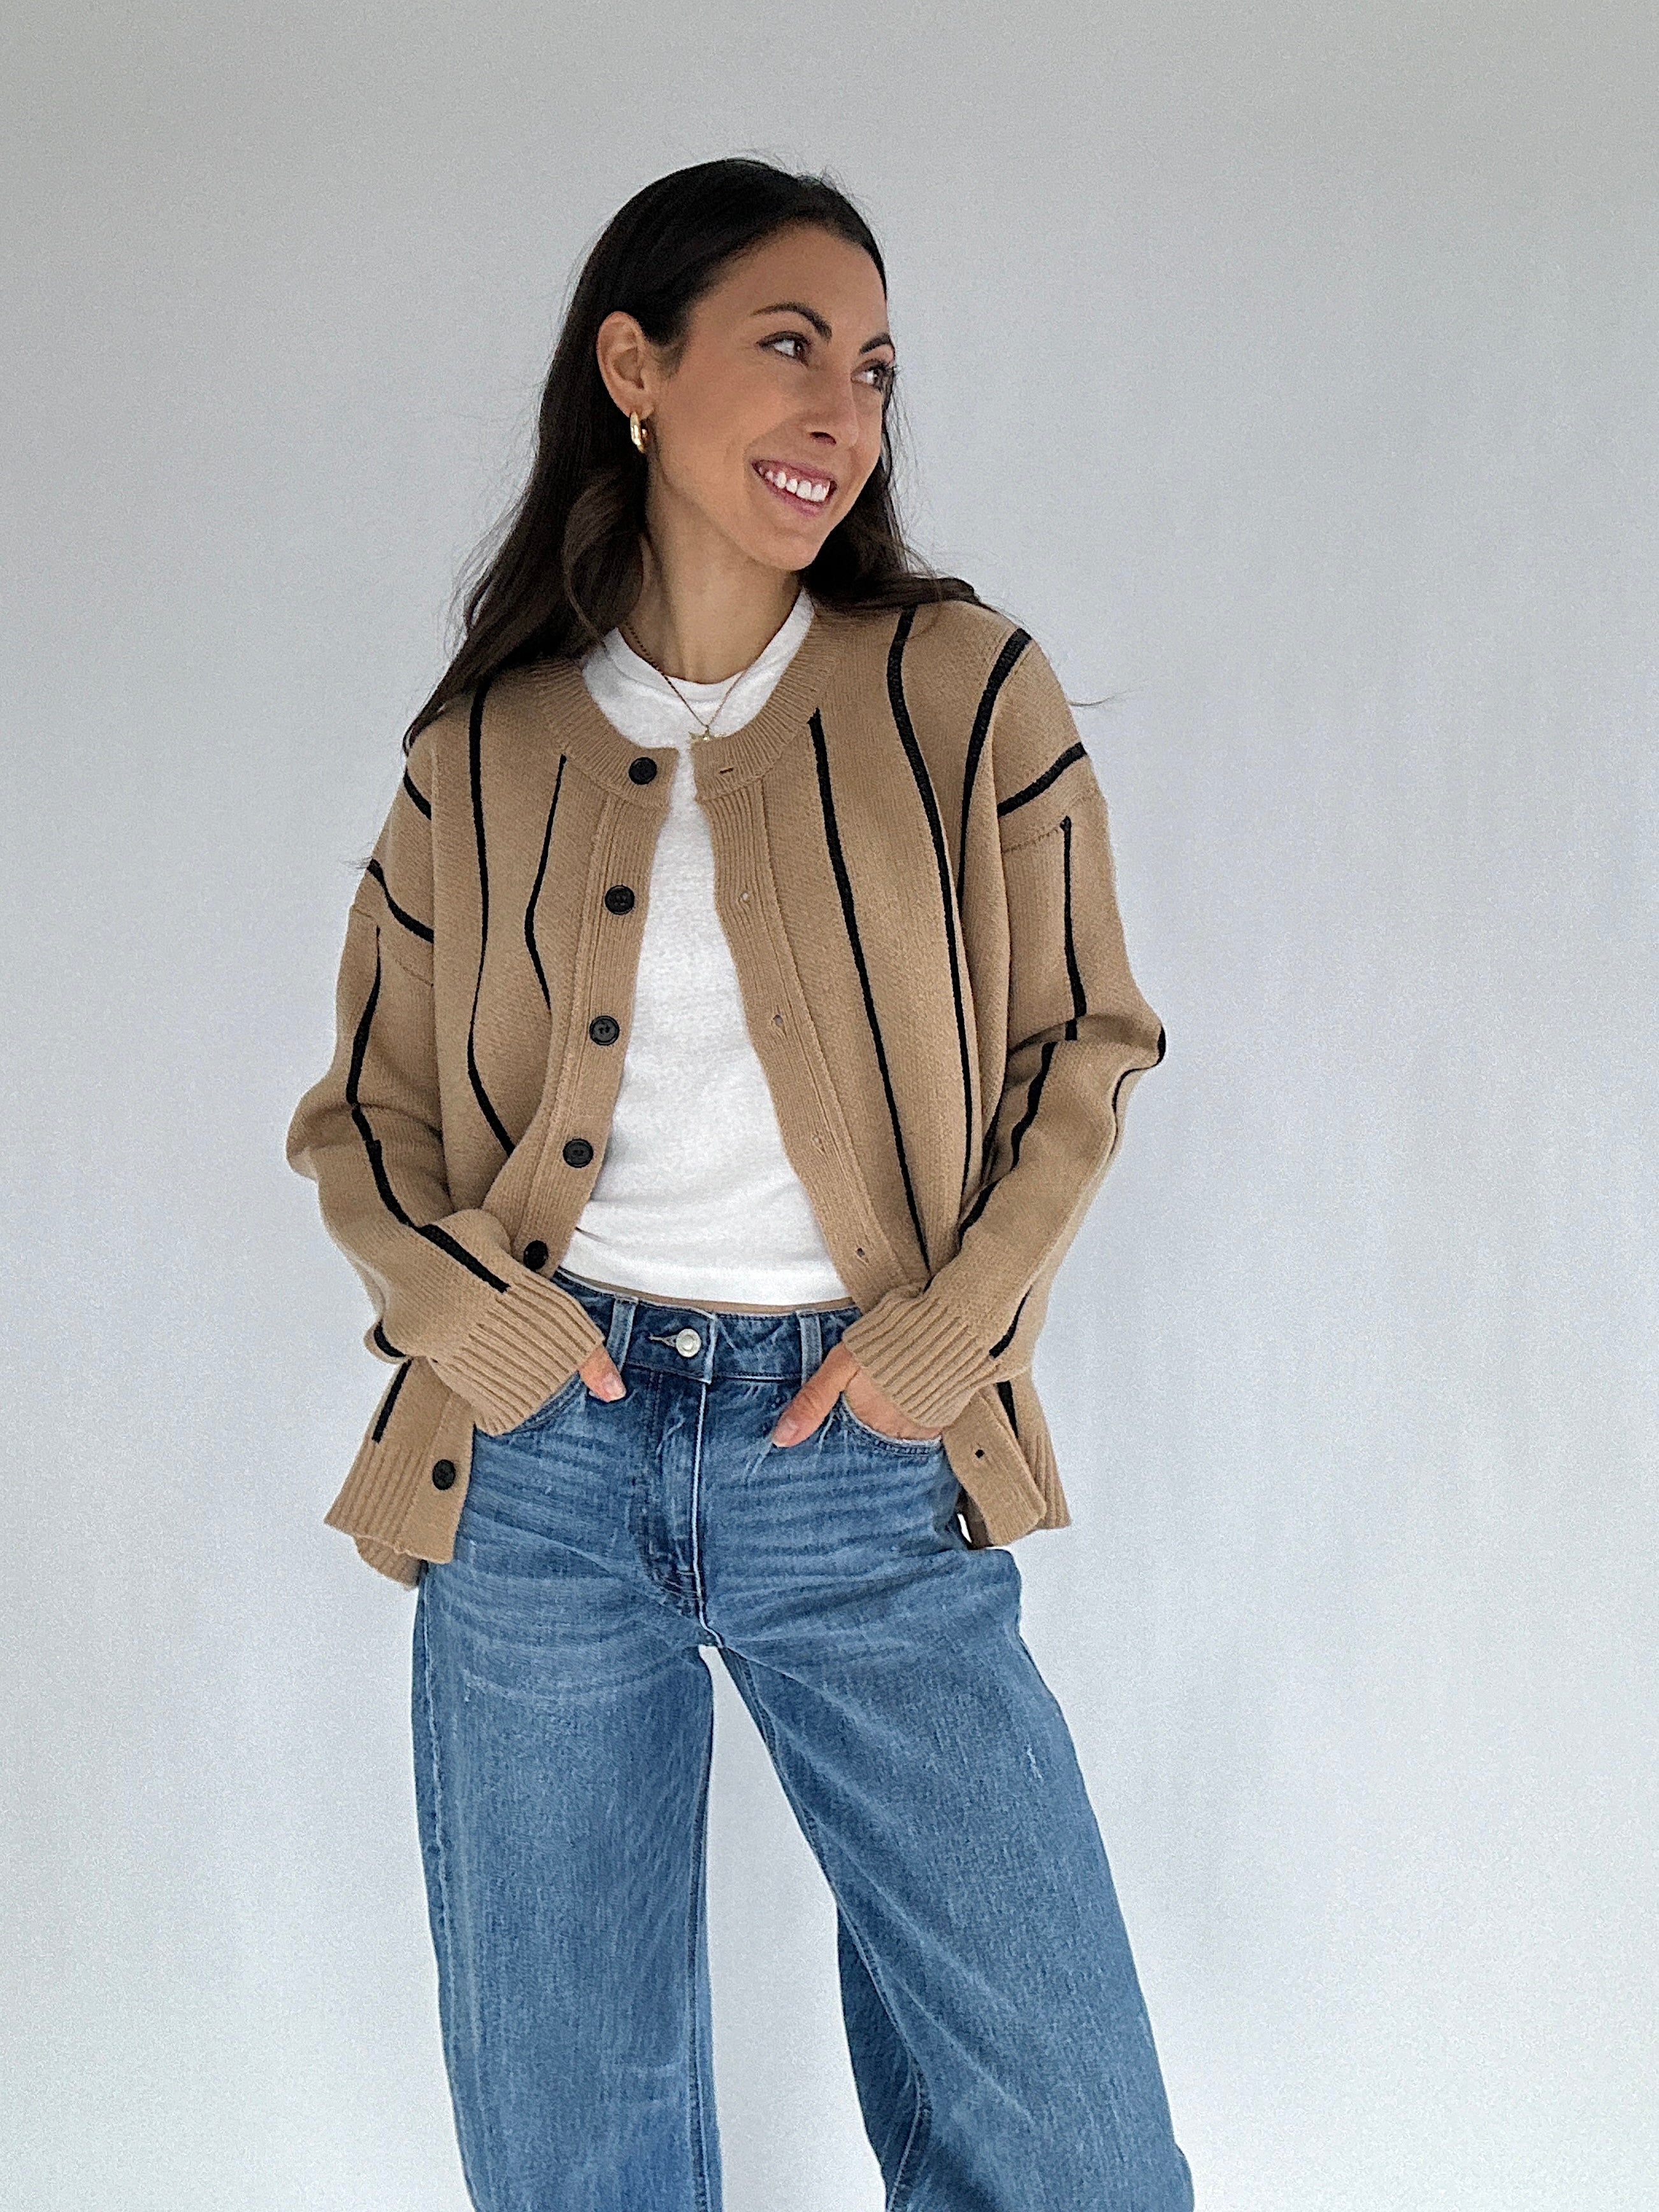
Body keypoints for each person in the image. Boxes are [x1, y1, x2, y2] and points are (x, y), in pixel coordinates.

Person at [285, 156, 1193, 2212]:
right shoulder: (489, 743)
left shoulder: (959, 688)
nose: (842, 416)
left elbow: (1087, 1040)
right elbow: (368, 1111)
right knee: (575, 2141)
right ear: (634, 364)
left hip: (863, 1452)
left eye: (870, 372)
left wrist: (948, 1333)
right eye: (789, 348)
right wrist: (478, 1329)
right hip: (538, 1463)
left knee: (1070, 2144)